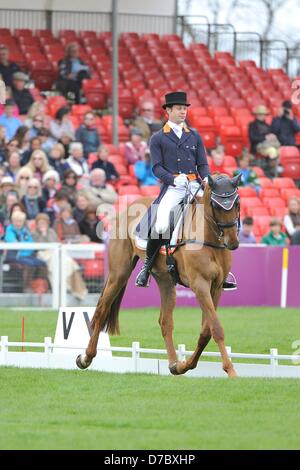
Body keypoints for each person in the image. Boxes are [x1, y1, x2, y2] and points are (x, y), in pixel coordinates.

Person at [135, 91, 211, 287]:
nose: (183, 112)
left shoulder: (194, 136)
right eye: (179, 108)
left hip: (194, 185)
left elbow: (202, 164)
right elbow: (156, 168)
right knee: (160, 225)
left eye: (185, 108)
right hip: (174, 188)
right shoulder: (158, 138)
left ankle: (222, 269)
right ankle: (147, 267)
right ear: (168, 110)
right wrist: (173, 180)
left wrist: (207, 178)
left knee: (216, 213)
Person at [32, 212, 88, 300]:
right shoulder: (34, 233)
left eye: (44, 223)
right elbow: (38, 247)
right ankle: (62, 288)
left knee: (69, 262)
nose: (42, 224)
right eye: (40, 223)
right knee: (54, 263)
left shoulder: (51, 231)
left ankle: (75, 289)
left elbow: (56, 243)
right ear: (37, 223)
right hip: (43, 254)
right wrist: (43, 235)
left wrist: (46, 233)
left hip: (56, 253)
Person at [4, 210, 47, 292]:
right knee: (30, 264)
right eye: (16, 221)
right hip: (16, 256)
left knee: (43, 264)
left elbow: (31, 243)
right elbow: (12, 241)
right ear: (12, 221)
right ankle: (27, 287)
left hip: (28, 255)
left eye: (20, 221)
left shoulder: (25, 231)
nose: (18, 223)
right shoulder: (10, 230)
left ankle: (40, 285)